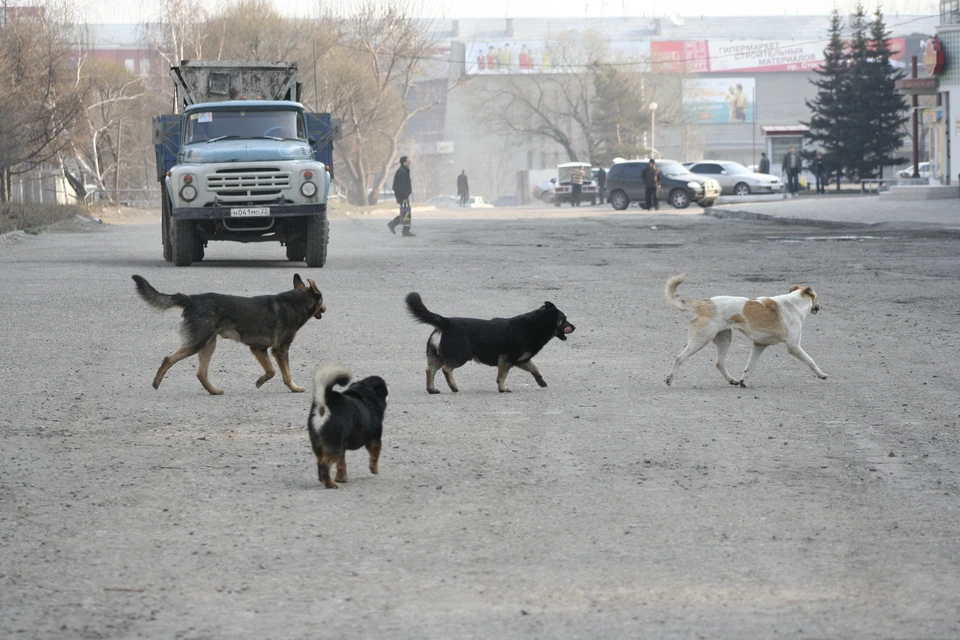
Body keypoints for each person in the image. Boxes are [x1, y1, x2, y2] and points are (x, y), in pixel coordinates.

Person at [388, 156, 414, 236]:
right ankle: (395, 225)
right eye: (408, 161)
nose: (410, 162)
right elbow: (402, 186)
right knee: (406, 213)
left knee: (406, 213)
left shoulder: (404, 170)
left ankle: (404, 230)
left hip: (403, 196)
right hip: (403, 196)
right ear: (404, 162)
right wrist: (404, 197)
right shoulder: (402, 172)